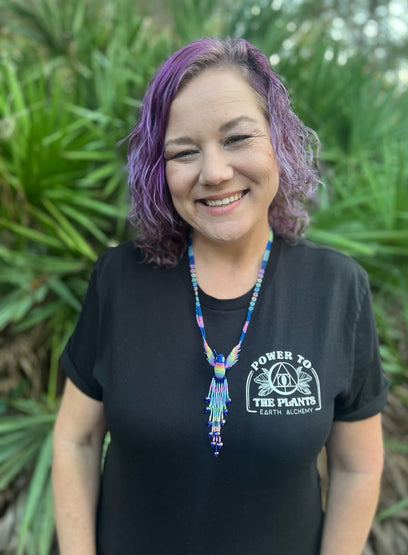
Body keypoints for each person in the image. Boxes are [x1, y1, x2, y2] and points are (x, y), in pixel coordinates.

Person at [52, 37, 388, 555]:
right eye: (184, 151)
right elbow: (76, 440)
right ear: (159, 170)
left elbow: (356, 464)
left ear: (280, 140)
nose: (213, 172)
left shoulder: (337, 288)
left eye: (236, 139)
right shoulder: (119, 279)